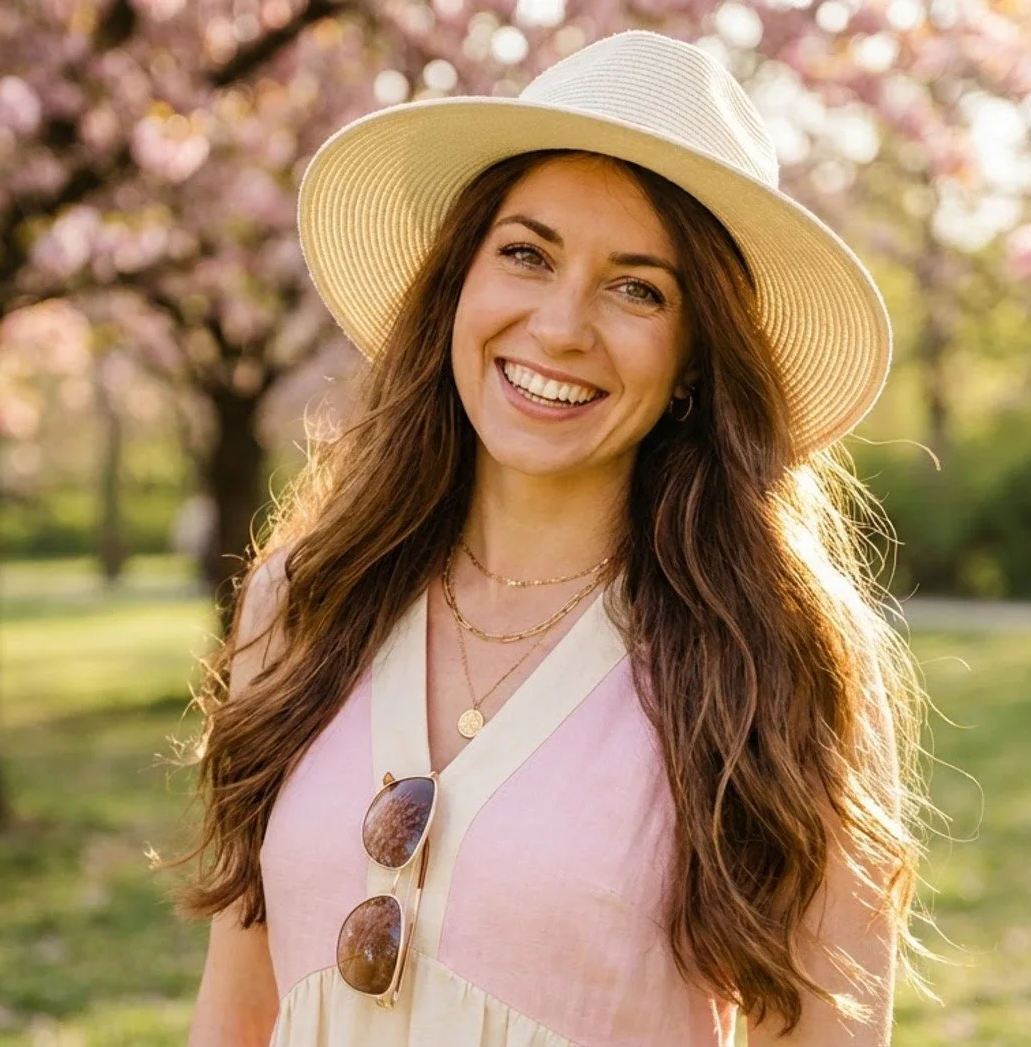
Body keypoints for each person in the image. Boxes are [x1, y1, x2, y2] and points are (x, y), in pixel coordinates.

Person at [173, 31, 927, 1047]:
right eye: (524, 254)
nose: (560, 327)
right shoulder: (301, 600)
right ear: (457, 287)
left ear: (697, 357)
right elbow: (234, 1007)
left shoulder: (782, 659)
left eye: (637, 288)